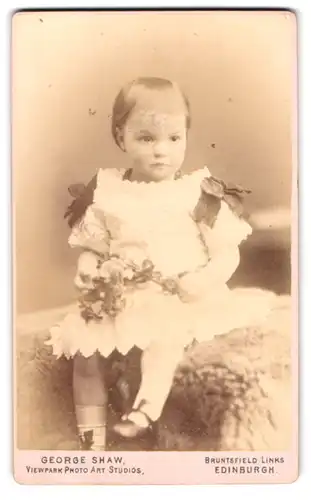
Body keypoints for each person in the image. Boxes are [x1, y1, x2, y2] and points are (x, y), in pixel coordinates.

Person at [47, 76, 275, 450]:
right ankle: (92, 442)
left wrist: (199, 282)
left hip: (180, 295)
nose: (161, 152)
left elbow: (226, 253)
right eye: (146, 139)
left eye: (174, 139)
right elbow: (95, 248)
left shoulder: (197, 193)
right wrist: (87, 269)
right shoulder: (108, 191)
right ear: (121, 137)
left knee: (164, 337)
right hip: (123, 297)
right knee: (85, 353)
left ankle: (145, 410)